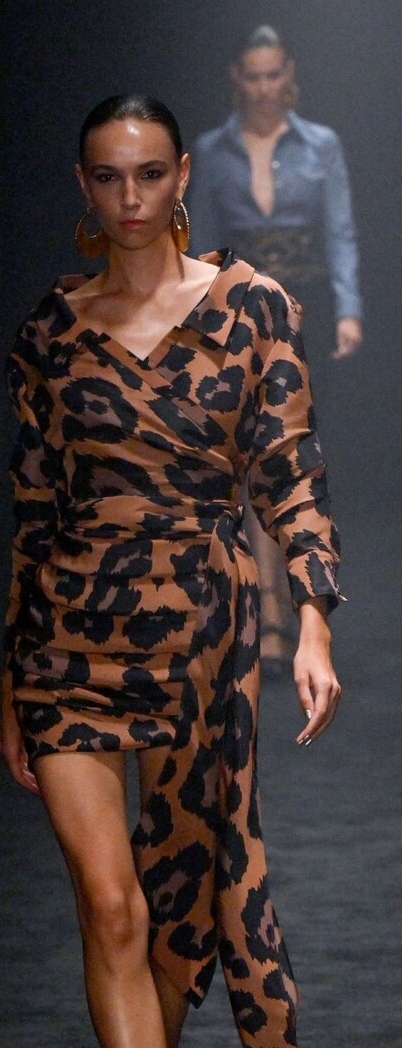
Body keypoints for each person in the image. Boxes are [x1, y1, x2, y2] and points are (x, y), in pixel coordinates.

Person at [1, 94, 342, 1048]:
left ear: (184, 174)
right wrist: (8, 676)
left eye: (149, 173)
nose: (131, 197)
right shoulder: (52, 331)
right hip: (67, 646)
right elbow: (33, 509)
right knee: (111, 905)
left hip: (203, 636)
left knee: (180, 915)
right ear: (83, 186)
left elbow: (290, 473)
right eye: (109, 176)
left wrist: (313, 617)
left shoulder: (254, 308)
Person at [186, 24, 360, 666]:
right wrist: (197, 319)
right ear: (238, 78)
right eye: (252, 76)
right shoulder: (212, 150)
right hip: (241, 314)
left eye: (273, 74)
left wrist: (351, 310)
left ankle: (300, 600)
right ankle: (272, 605)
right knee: (250, 455)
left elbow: (339, 230)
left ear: (289, 74)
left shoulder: (320, 145)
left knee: (295, 458)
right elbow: (201, 241)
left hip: (305, 312)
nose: (263, 87)